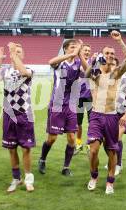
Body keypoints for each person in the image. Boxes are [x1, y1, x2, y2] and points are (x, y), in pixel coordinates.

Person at [85, 30, 126, 194]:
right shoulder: (96, 74)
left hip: (112, 117)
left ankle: (110, 182)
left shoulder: (117, 73)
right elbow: (85, 74)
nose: (110, 55)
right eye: (107, 53)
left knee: (112, 151)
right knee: (93, 150)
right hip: (96, 116)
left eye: (112, 53)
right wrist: (91, 62)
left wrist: (119, 41)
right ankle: (94, 176)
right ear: (102, 55)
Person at [38, 39, 88, 176]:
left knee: (72, 138)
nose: (74, 49)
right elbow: (51, 61)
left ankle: (66, 167)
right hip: (57, 105)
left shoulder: (78, 63)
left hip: (71, 105)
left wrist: (80, 55)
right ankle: (42, 159)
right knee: (52, 138)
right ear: (65, 49)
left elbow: (88, 72)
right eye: (72, 47)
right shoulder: (60, 62)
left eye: (76, 47)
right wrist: (72, 54)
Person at [0, 43, 36, 192]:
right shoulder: (5, 71)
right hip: (8, 114)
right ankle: (16, 179)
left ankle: (29, 179)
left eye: (19, 52)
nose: (15, 54)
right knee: (11, 149)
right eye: (14, 52)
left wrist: (14, 55)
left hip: (24, 114)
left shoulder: (29, 69)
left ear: (22, 55)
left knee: (26, 149)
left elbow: (23, 71)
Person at [75, 44, 93, 154]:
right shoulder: (76, 62)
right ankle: (78, 143)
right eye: (85, 50)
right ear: (81, 51)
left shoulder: (93, 62)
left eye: (88, 50)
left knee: (92, 122)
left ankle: (90, 144)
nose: (87, 52)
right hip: (78, 97)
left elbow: (86, 69)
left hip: (90, 97)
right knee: (78, 123)